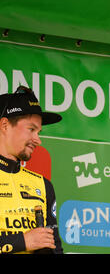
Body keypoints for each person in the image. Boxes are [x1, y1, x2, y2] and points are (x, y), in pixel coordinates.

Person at [0, 86, 63, 254]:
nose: (38, 140)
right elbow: (28, 241)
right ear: (5, 125)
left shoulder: (43, 185)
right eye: (31, 129)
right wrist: (23, 241)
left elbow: (55, 248)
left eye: (39, 132)